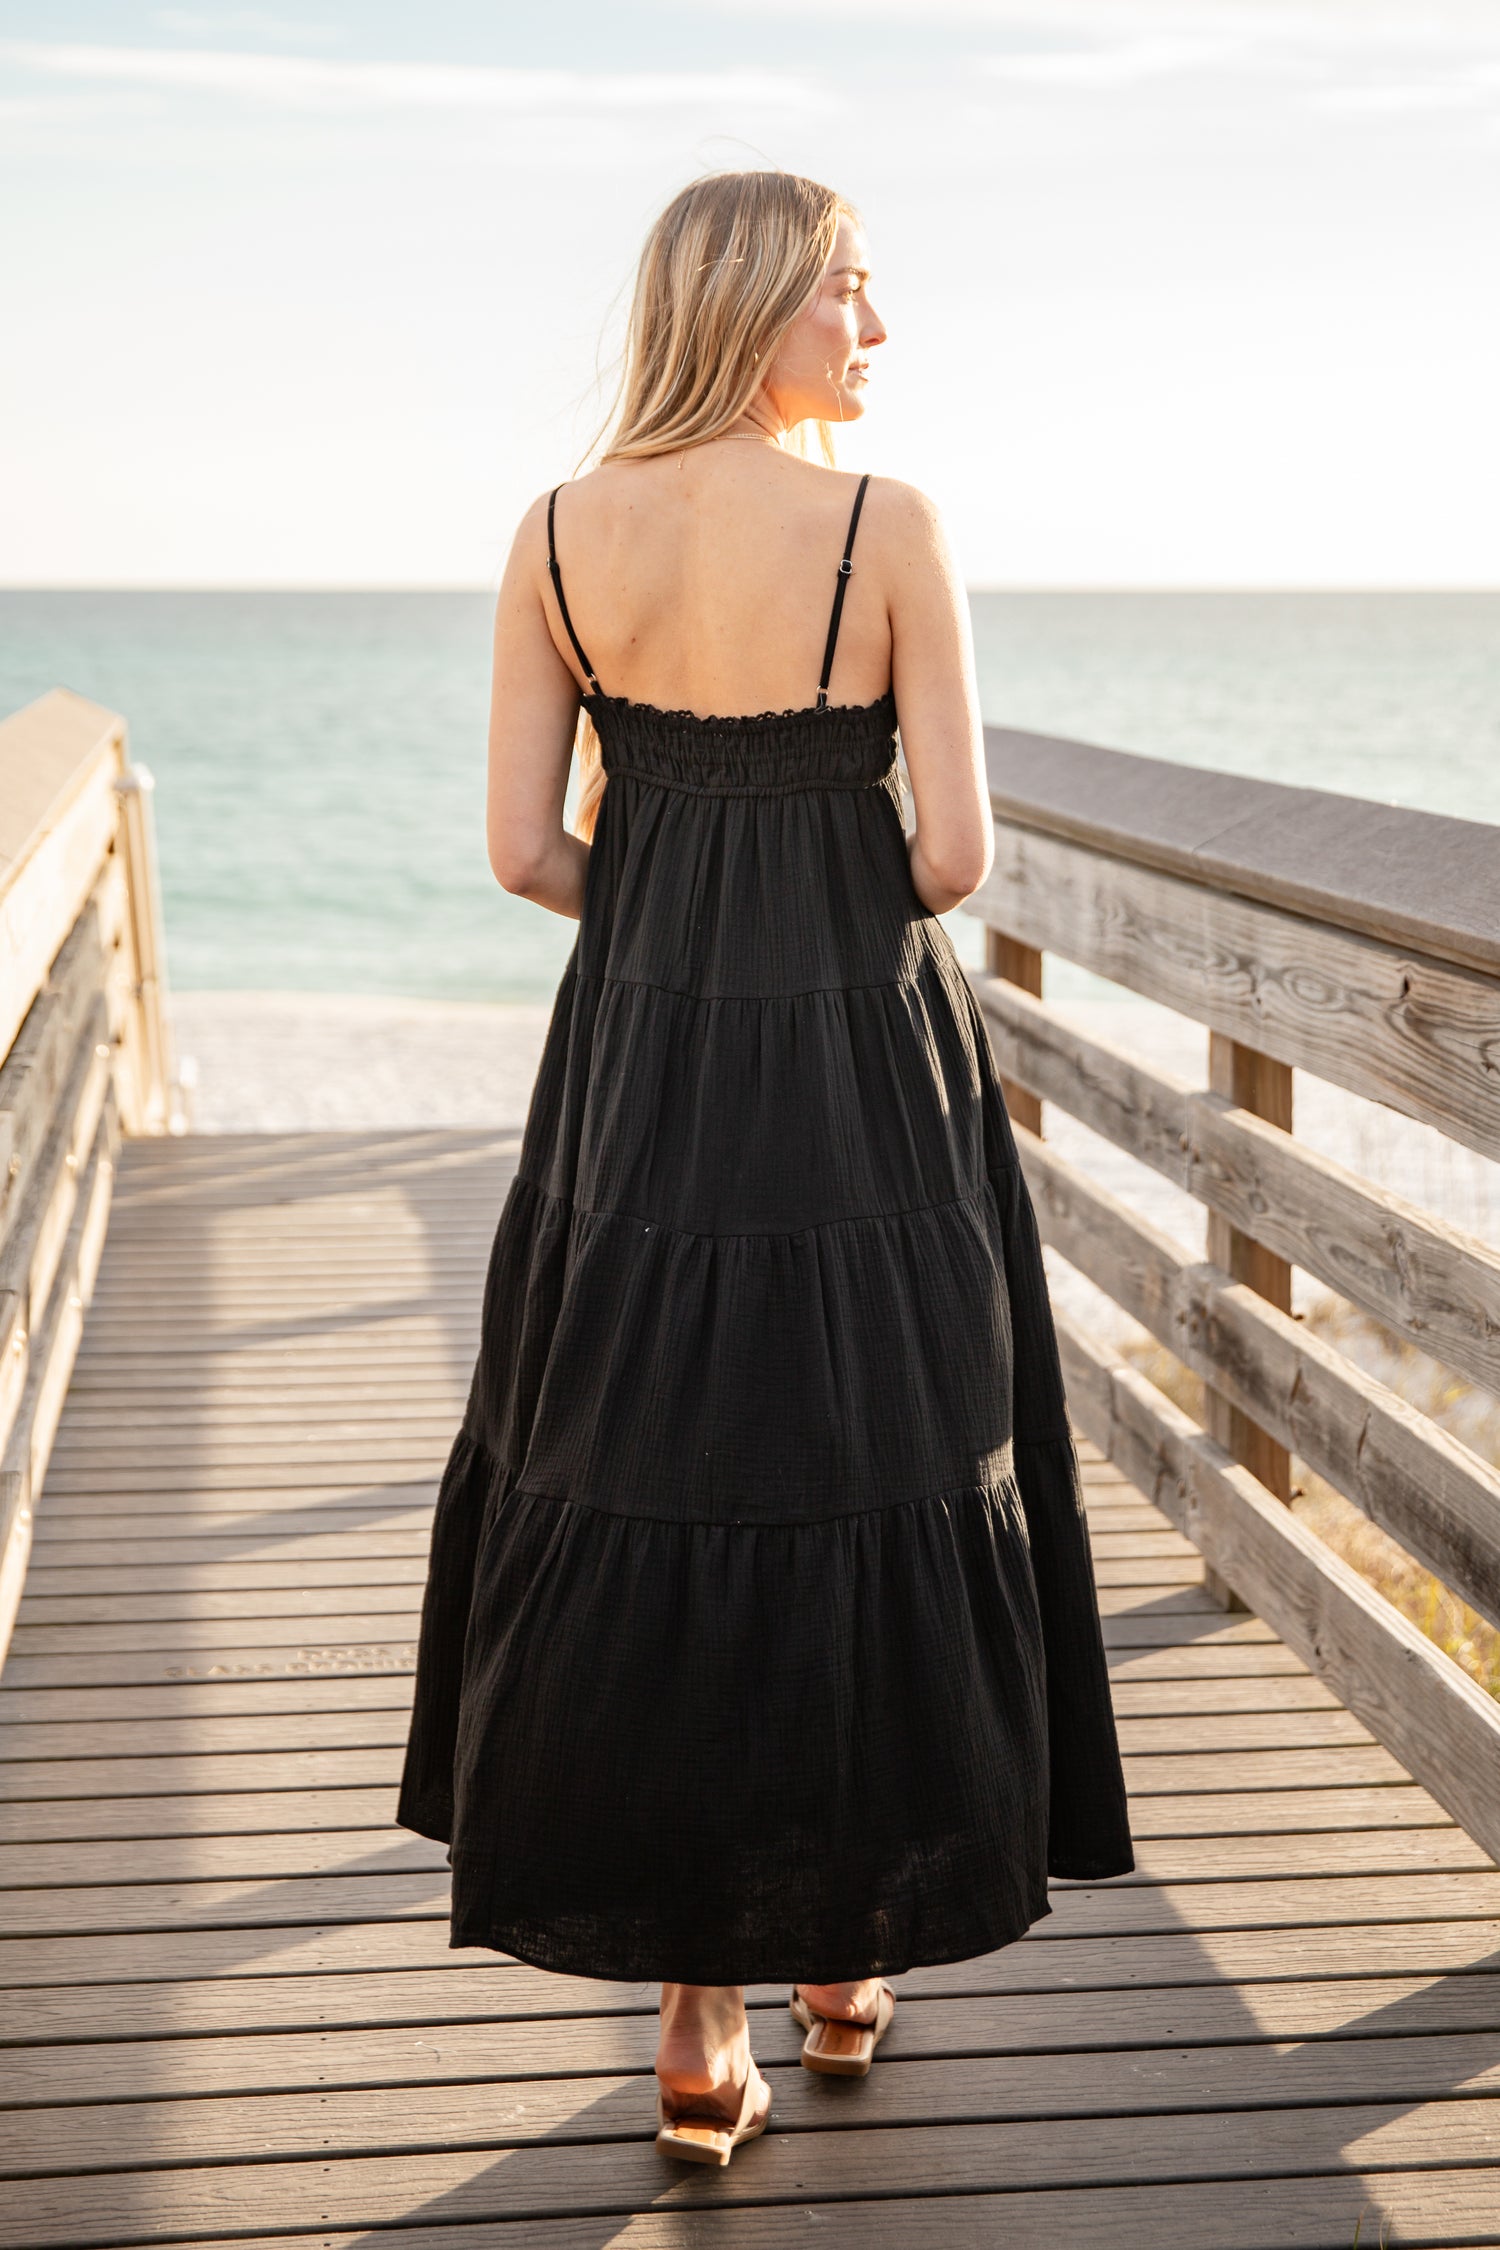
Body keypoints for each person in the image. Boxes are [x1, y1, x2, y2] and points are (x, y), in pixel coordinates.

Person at [397, 167, 1133, 2169]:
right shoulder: (889, 530)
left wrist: (675, 920)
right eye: (851, 295)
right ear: (754, 308)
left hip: (638, 1071)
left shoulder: (557, 535)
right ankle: (838, 1959)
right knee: (867, 1463)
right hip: (867, 1074)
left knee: (649, 1472)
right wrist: (816, 907)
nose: (877, 335)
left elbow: (525, 850)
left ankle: (699, 2025)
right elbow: (959, 856)